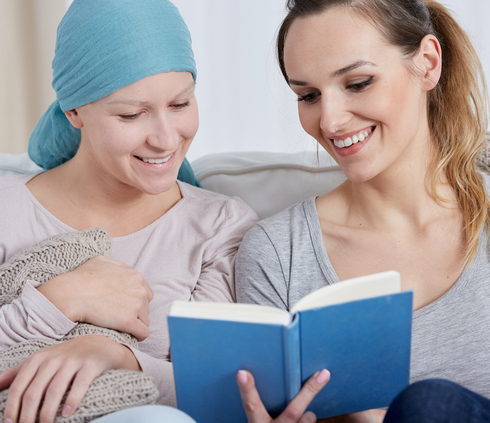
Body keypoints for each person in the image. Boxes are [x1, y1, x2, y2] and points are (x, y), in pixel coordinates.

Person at [0, 0, 258, 422]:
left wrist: (118, 356)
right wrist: (60, 300)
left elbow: (223, 390)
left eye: (180, 104)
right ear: (74, 111)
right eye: (133, 114)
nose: (165, 139)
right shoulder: (6, 209)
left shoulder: (218, 227)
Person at [236, 0, 490, 421]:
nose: (330, 121)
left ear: (427, 63)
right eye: (309, 95)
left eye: (357, 83)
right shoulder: (278, 255)